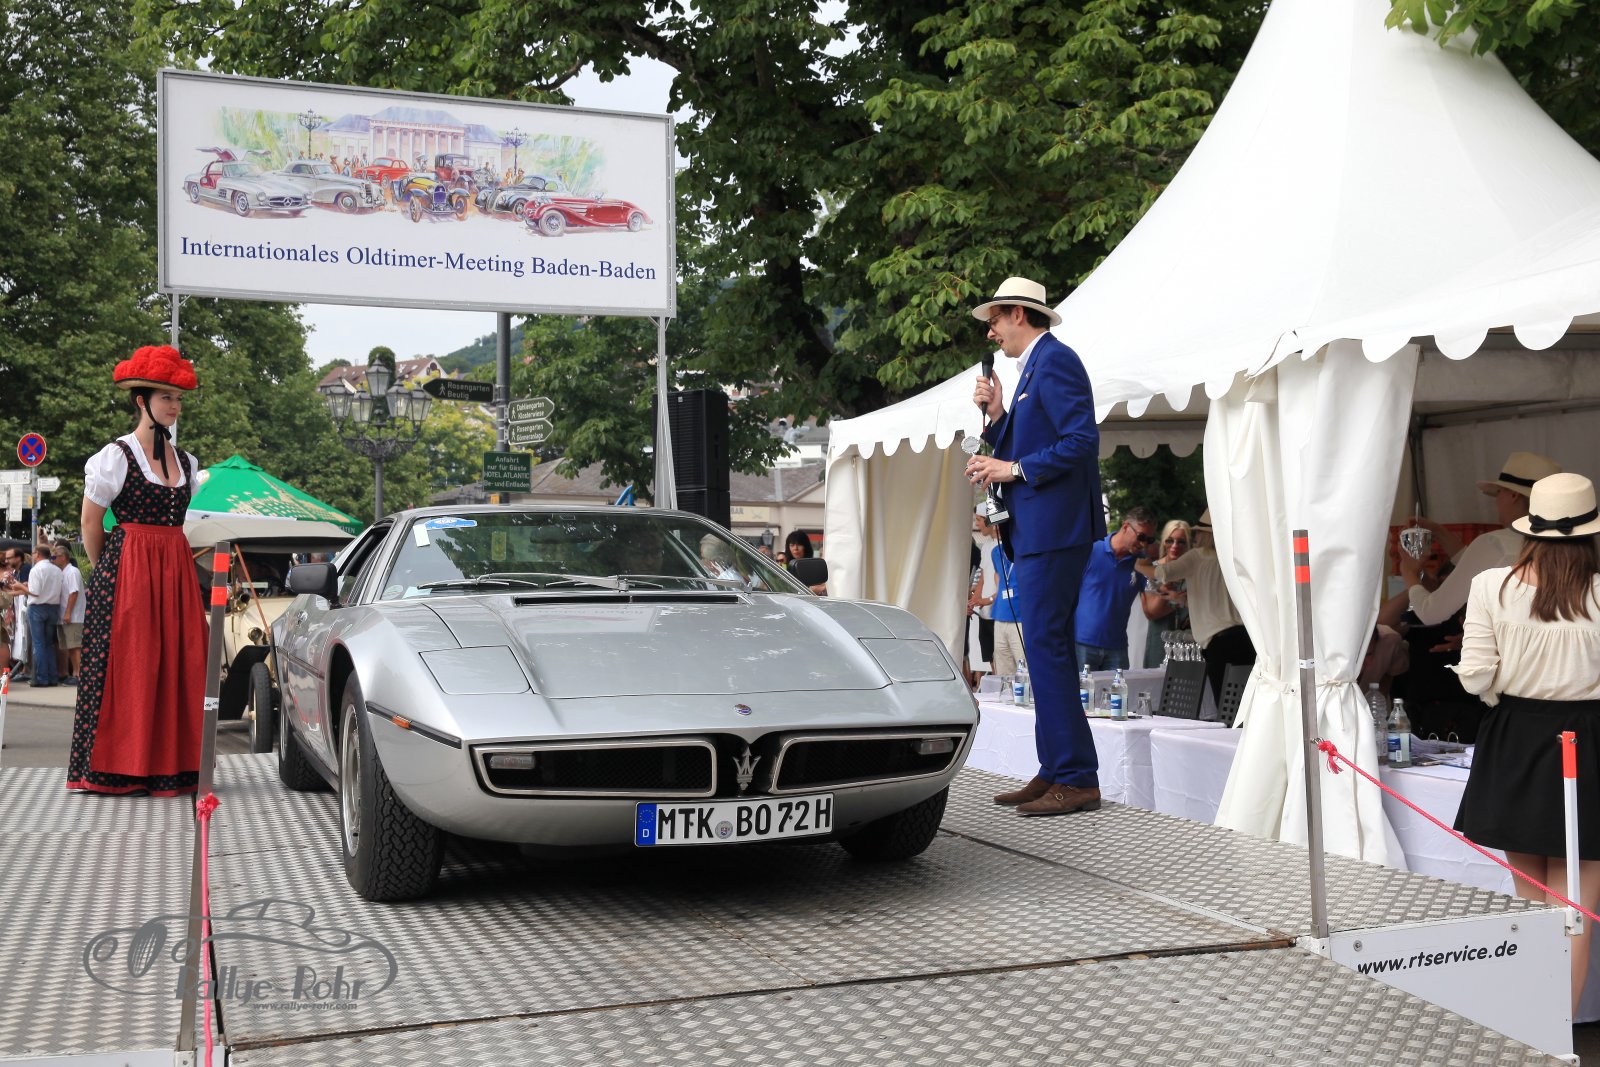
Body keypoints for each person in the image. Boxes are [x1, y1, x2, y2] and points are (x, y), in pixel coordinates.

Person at [1450, 472, 1600, 1017]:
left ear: (1529, 530)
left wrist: (1512, 691)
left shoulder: (1492, 585)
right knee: (1574, 907)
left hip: (1515, 735)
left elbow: (1475, 676)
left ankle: (1538, 1027)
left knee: (1533, 903)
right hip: (1588, 739)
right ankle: (1558, 1033)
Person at [966, 276, 1104, 817]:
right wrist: (1000, 415)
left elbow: (1082, 440)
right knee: (1046, 648)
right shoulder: (1036, 368)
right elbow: (1031, 443)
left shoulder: (1056, 361)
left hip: (1054, 530)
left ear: (1019, 314)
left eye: (995, 320)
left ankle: (1075, 774)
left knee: (1047, 646)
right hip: (1043, 530)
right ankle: (1057, 769)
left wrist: (1013, 469)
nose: (992, 331)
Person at [67, 345, 208, 796]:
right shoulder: (115, 456)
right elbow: (90, 523)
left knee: (178, 662)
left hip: (175, 568)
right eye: (166, 397)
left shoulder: (186, 461)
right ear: (141, 400)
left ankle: (171, 767)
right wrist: (108, 571)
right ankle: (119, 767)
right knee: (132, 665)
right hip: (129, 569)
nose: (175, 405)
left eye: (178, 398)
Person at [1393, 451, 1561, 626]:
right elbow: (1476, 563)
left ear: (1513, 495)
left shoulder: (1495, 544)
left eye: (1499, 492)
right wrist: (1437, 530)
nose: (1496, 500)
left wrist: (1409, 573)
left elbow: (1431, 612)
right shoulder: (1564, 545)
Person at [1134, 509, 1253, 702]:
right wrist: (1183, 600)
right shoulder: (1233, 558)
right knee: (1241, 704)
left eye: (1198, 532)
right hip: (1245, 638)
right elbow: (1217, 599)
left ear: (1206, 535)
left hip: (1219, 642)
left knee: (1224, 704)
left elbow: (1163, 573)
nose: (1195, 537)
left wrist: (1137, 564)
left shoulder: (1198, 557)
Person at [1074, 506, 1156, 671]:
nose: (1143, 544)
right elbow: (1065, 593)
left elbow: (1153, 606)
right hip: (1082, 644)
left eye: (1149, 540)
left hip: (1117, 649)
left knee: (1120, 689)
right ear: (1125, 527)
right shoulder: (1091, 550)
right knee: (1082, 690)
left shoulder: (1140, 563)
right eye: (1141, 537)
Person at [9, 544, 63, 687]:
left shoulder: (36, 569)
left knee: (38, 644)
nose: (32, 555)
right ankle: (52, 677)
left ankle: (41, 678)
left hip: (37, 607)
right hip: (53, 607)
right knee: (49, 644)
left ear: (38, 554)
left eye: (33, 553)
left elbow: (35, 592)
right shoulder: (57, 570)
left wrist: (21, 586)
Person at [1141, 520, 1191, 667]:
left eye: (1181, 542)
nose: (1175, 546)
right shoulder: (1152, 571)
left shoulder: (1194, 572)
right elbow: (1152, 613)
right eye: (1170, 541)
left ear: (1188, 544)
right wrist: (1171, 594)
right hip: (1159, 643)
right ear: (1163, 542)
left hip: (1188, 646)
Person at [55, 544, 84, 684]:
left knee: (75, 646)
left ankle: (78, 674)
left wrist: (68, 613)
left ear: (63, 557)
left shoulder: (72, 572)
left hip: (73, 616)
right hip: (66, 616)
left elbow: (74, 592)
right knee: (70, 646)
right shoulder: (63, 572)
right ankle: (75, 673)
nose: (52, 560)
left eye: (54, 557)